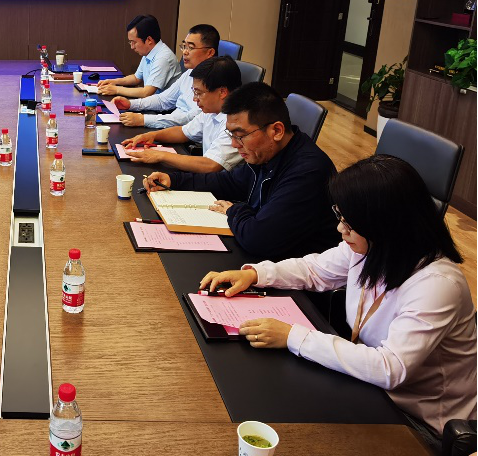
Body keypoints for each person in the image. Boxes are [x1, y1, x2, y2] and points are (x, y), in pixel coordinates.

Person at [199, 155, 477, 448]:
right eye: (340, 217)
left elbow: (390, 367)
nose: (340, 230)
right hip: (371, 391)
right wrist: (256, 274)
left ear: (385, 225)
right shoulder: (373, 248)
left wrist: (292, 336)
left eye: (350, 223)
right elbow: (314, 270)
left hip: (420, 422)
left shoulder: (437, 285)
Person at [144, 82, 338, 258]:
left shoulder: (308, 171)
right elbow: (230, 182)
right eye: (231, 135)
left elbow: (259, 239)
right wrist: (174, 180)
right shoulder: (267, 153)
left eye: (240, 135)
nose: (234, 144)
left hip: (297, 274)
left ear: (277, 131)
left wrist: (234, 210)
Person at [121, 56, 242, 174]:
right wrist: (151, 135)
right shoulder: (212, 111)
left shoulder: (237, 122)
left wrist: (160, 155)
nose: (195, 99)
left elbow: (211, 165)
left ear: (222, 92)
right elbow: (183, 132)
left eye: (199, 93)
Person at [111, 24, 219, 128]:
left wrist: (144, 120)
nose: (185, 52)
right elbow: (164, 99)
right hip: (170, 125)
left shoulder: (215, 82)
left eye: (190, 47)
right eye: (184, 46)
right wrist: (130, 104)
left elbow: (190, 119)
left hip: (183, 133)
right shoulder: (189, 73)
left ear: (210, 52)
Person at [97, 14, 181, 98]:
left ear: (149, 40)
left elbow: (146, 92)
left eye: (134, 42)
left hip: (163, 105)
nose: (132, 47)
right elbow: (136, 78)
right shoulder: (149, 52)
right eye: (130, 42)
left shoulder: (163, 58)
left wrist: (116, 90)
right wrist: (113, 82)